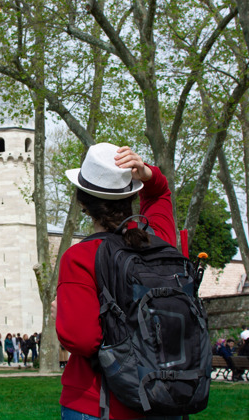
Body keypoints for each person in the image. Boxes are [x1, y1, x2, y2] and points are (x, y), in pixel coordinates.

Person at [54, 144, 179, 420]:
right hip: (165, 395)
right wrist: (148, 174)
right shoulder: (161, 242)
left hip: (99, 402)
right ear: (130, 195)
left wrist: (60, 314)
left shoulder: (80, 257)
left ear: (83, 203)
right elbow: (160, 194)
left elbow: (83, 340)